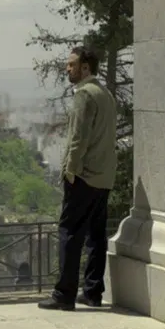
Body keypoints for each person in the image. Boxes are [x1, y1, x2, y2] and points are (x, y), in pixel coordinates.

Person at [40, 45, 118, 311]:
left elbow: (78, 138)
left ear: (85, 67)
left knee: (70, 232)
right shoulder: (105, 94)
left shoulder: (85, 95)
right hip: (104, 177)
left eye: (72, 64)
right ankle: (93, 292)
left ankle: (64, 294)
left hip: (84, 176)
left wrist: (70, 171)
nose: (67, 69)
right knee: (96, 235)